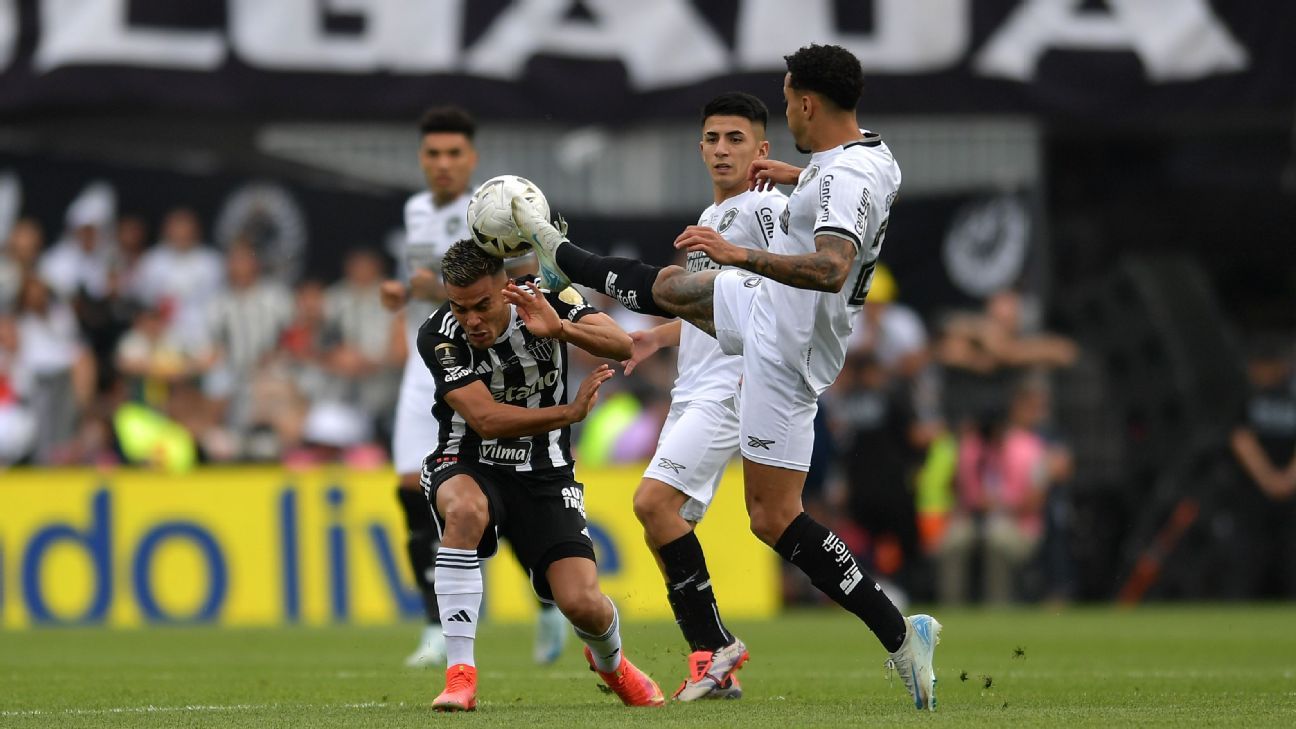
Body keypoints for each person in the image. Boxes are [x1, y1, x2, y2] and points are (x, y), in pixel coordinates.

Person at [510, 44, 942, 710]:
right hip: (792, 339)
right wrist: (800, 177)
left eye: (786, 94)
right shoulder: (868, 157)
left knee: (675, 292)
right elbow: (849, 190)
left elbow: (830, 266)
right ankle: (901, 633)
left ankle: (560, 254)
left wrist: (740, 253)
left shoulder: (839, 180)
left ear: (804, 103)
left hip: (783, 337)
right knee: (772, 514)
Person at [417, 240, 663, 711]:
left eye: (483, 306)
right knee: (465, 510)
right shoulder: (438, 334)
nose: (471, 320)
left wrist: (561, 330)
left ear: (506, 289)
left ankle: (614, 666)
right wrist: (567, 413)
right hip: (468, 458)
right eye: (460, 307)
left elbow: (621, 344)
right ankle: (459, 676)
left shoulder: (552, 297)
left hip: (546, 472)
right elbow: (486, 419)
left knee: (582, 604)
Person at [380, 106, 564, 668]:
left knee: (493, 483)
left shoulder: (496, 207)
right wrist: (406, 293)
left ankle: (548, 600)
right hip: (431, 355)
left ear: (472, 158)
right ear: (422, 159)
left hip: (485, 354)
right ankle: (436, 626)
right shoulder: (415, 209)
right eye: (433, 154)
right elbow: (435, 284)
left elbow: (530, 268)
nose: (442, 164)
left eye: (453, 153)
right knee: (412, 487)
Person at [620, 91, 786, 700]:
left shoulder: (764, 208)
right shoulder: (711, 217)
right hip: (694, 386)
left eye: (736, 139)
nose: (722, 149)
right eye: (713, 139)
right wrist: (655, 339)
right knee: (661, 525)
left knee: (652, 503)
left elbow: (786, 287)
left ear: (762, 150)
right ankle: (710, 665)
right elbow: (713, 307)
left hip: (730, 388)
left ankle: (716, 648)